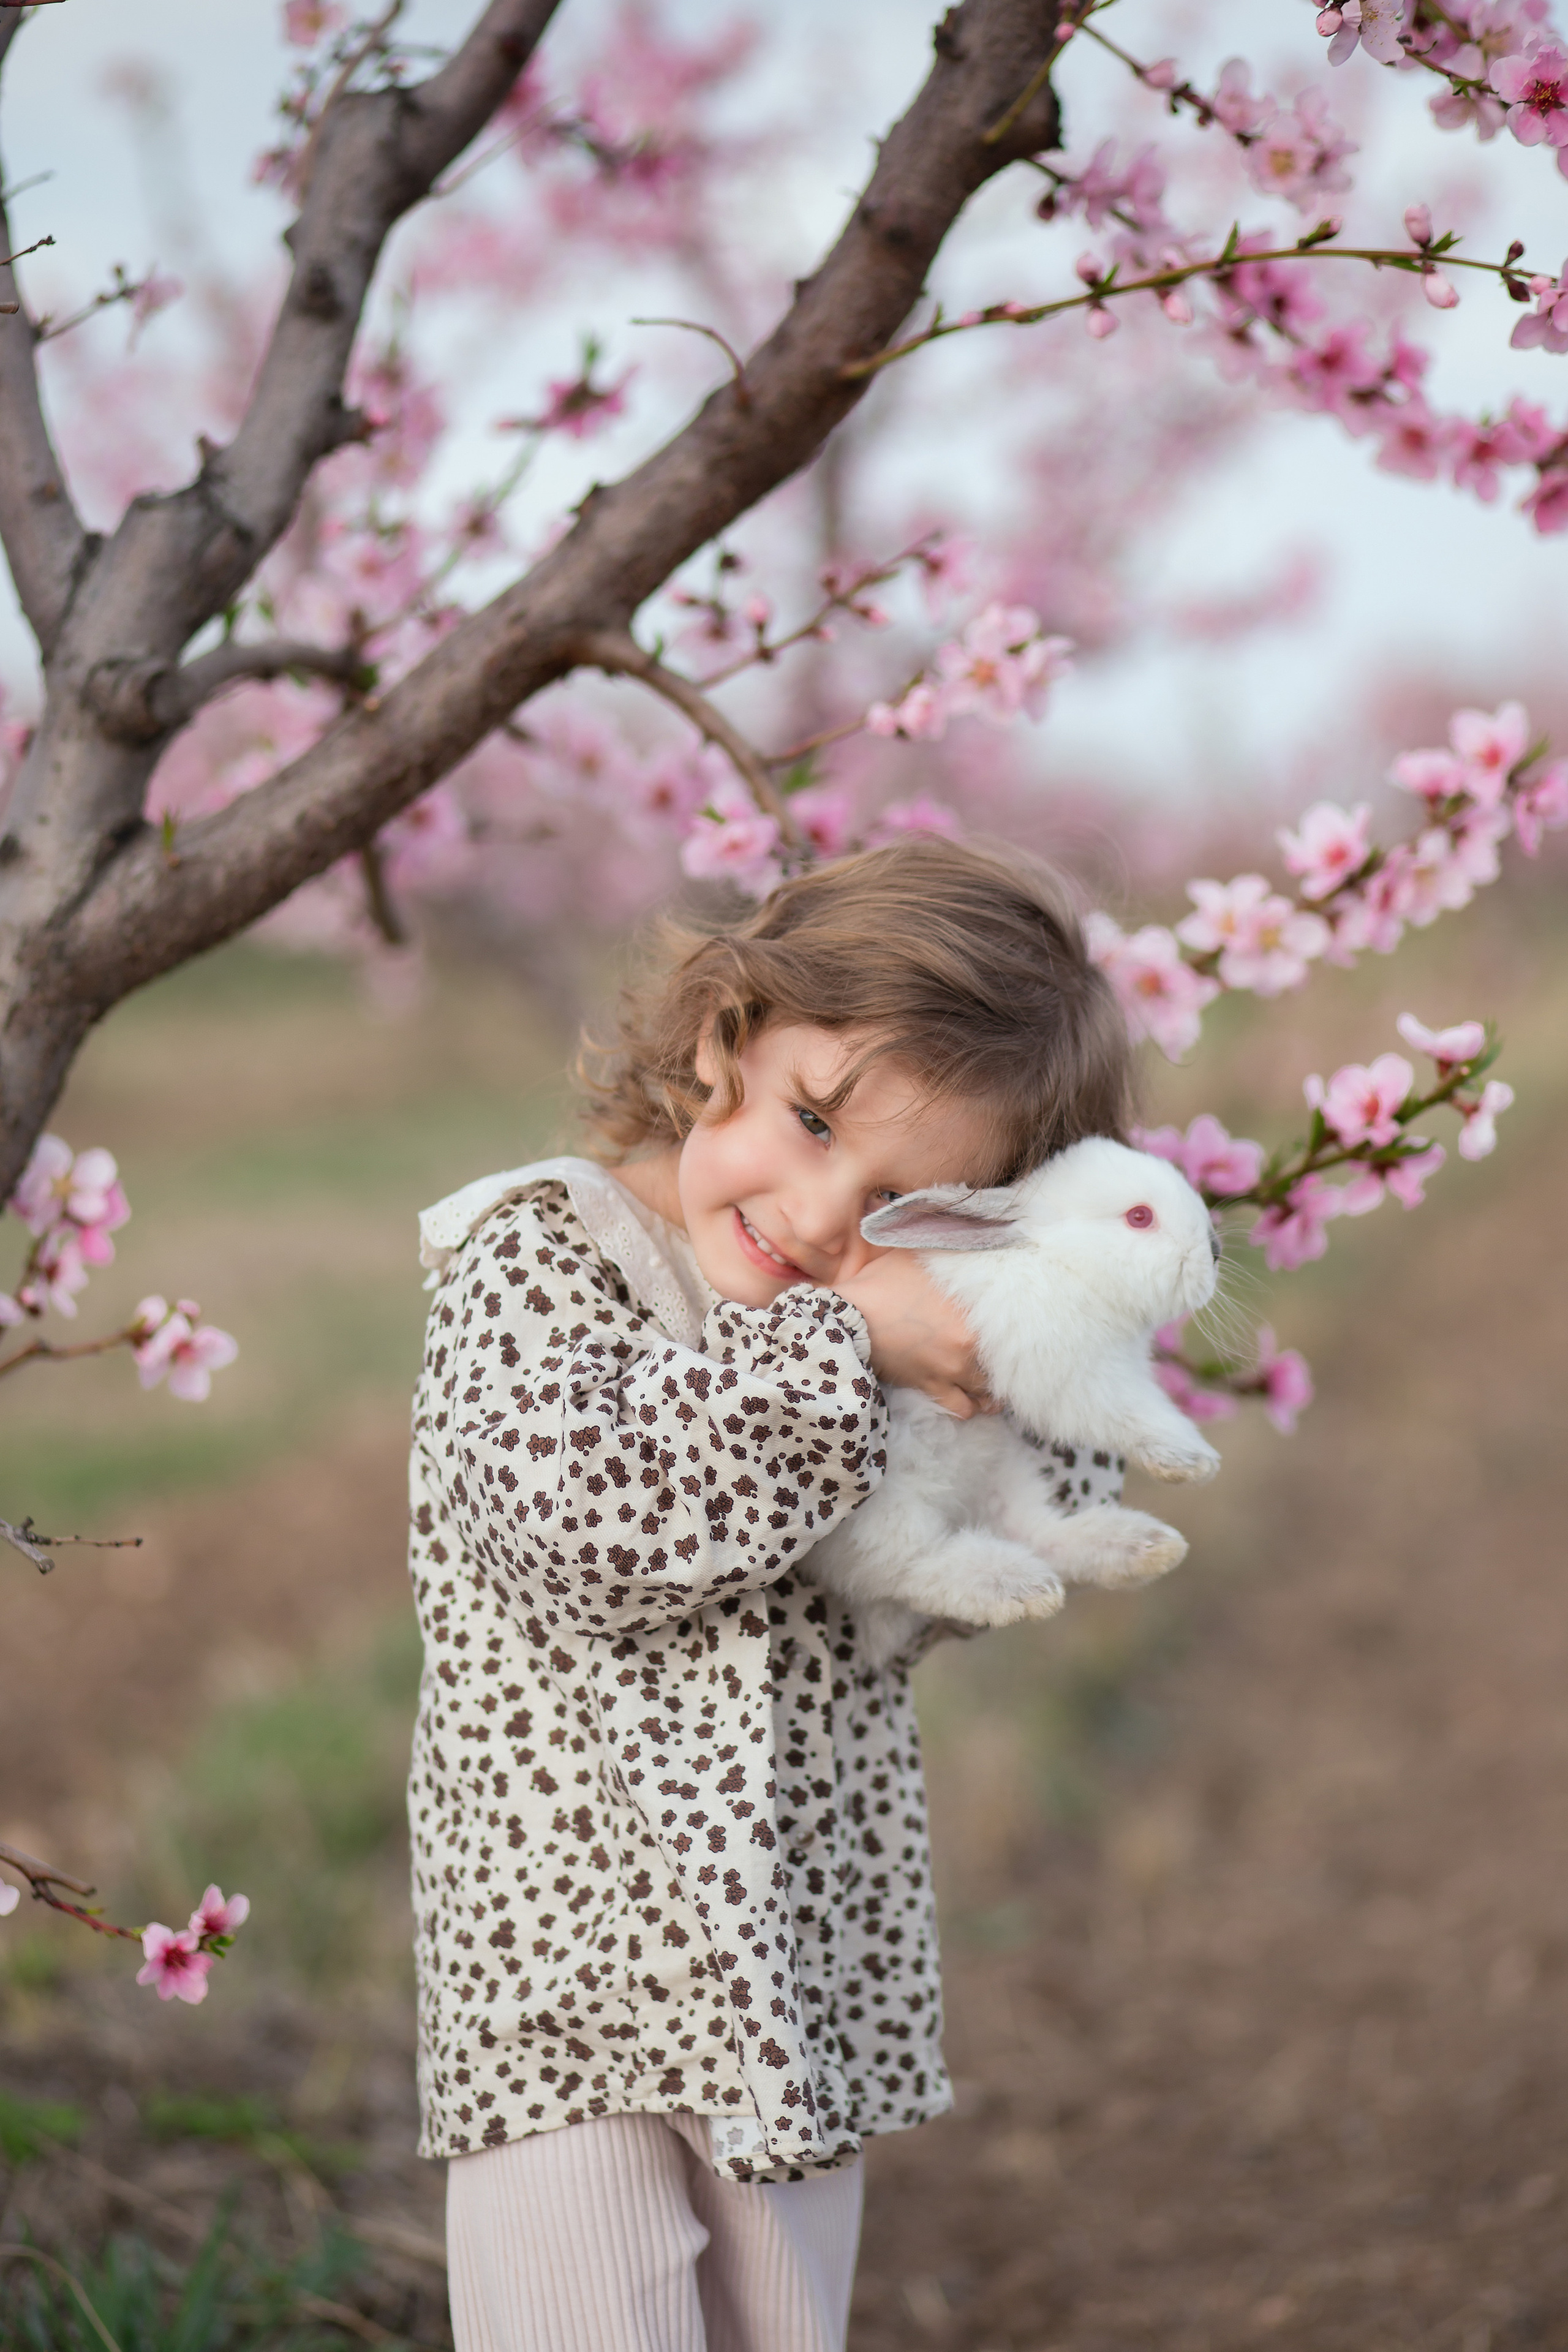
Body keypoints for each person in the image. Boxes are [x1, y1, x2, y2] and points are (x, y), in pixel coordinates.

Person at [407, 836, 1132, 2352]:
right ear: (724, 1034)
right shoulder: (537, 1256)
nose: (816, 1219)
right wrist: (845, 1347)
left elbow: (933, 1590)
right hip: (568, 1990)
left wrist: (1040, 1327)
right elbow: (588, 1532)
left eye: (901, 1207)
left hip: (800, 1973)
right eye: (810, 1121)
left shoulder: (865, 1340)